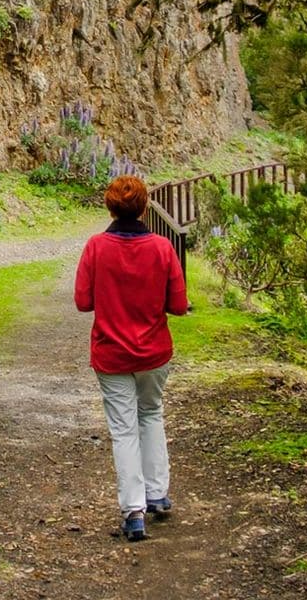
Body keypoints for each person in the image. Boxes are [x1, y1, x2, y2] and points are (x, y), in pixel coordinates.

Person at [74, 174, 188, 542]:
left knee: (123, 429)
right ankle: (157, 493)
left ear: (109, 206)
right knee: (151, 413)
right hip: (154, 352)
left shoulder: (96, 247)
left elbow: (83, 301)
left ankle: (133, 510)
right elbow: (177, 305)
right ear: (143, 207)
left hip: (111, 353)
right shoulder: (162, 248)